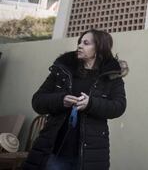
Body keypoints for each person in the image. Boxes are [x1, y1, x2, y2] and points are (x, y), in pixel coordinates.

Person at [23, 29, 127, 170]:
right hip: (55, 151)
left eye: (86, 43)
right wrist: (61, 100)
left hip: (90, 154)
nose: (79, 46)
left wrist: (91, 104)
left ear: (99, 48)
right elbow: (37, 101)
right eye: (79, 42)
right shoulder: (62, 69)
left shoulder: (110, 76)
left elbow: (118, 106)